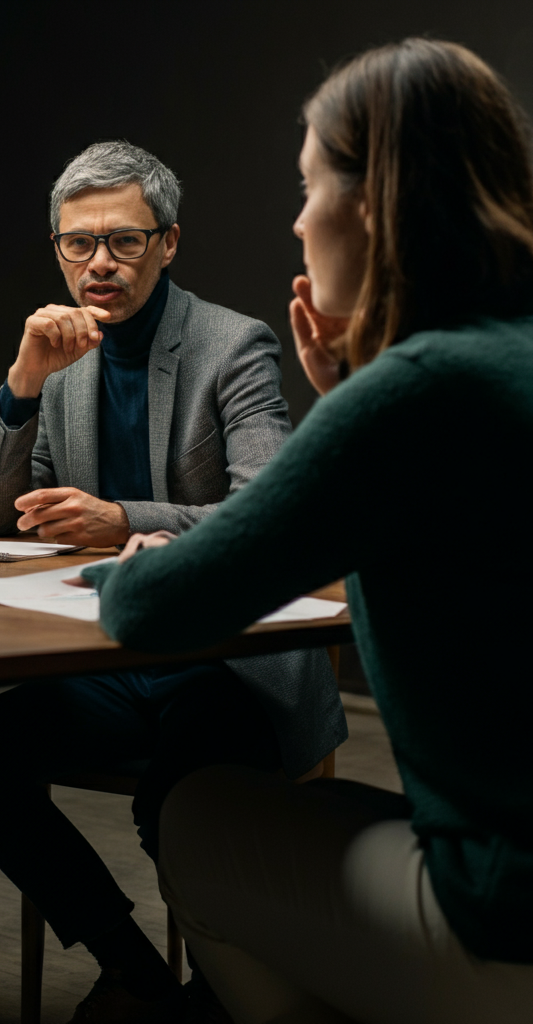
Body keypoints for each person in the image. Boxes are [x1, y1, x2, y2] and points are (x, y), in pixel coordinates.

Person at [81, 39, 533, 1024]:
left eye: (308, 186)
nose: (294, 220)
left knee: (197, 814)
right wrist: (353, 399)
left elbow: (160, 609)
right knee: (311, 812)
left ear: (373, 202)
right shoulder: (489, 363)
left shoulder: (415, 390)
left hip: (507, 917)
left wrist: (122, 565)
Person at [0, 141, 345, 1023]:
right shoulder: (61, 357)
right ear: (58, 250)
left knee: (177, 799)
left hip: (226, 658)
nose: (99, 263)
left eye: (124, 241)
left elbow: (269, 514)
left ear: (168, 244)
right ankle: (132, 968)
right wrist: (22, 384)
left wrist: (123, 518)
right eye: (78, 243)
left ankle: (226, 991)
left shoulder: (231, 345)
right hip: (110, 655)